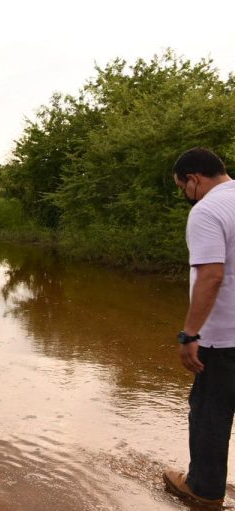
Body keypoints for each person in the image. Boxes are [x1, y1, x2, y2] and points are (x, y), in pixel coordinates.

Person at [163, 148, 235, 507]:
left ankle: (203, 490)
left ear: (194, 179)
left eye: (182, 187)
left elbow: (211, 276)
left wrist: (189, 334)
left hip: (224, 338)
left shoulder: (207, 210)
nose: (184, 195)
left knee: (210, 412)